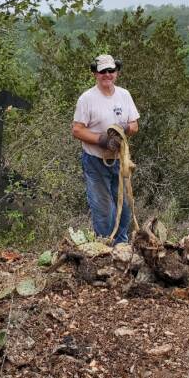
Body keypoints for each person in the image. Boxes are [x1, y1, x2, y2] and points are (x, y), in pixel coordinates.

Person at [72, 54, 140, 244]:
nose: (107, 75)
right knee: (103, 209)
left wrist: (121, 132)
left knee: (125, 207)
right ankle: (104, 248)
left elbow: (134, 124)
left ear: (116, 72)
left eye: (111, 71)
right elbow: (77, 130)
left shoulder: (124, 95)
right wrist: (101, 140)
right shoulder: (87, 99)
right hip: (95, 161)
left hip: (120, 161)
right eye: (103, 71)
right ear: (95, 73)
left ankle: (121, 247)